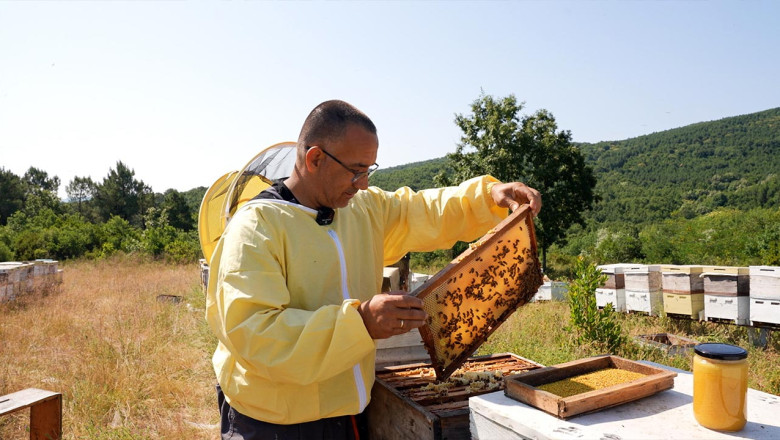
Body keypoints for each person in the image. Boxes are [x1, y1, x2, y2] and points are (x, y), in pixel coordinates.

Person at [205, 100, 541, 439]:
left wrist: (488, 197)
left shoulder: (361, 209)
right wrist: (361, 321)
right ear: (315, 158)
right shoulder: (256, 228)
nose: (363, 184)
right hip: (274, 425)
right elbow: (257, 334)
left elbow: (421, 210)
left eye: (369, 170)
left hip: (351, 414)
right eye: (355, 171)